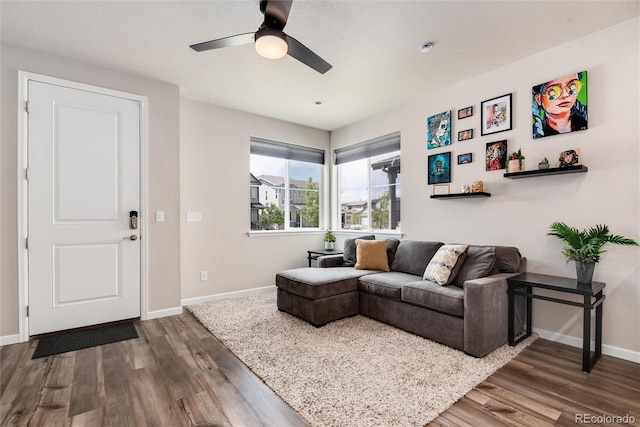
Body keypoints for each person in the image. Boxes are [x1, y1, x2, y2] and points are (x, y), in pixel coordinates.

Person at [532, 72, 588, 139]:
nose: (565, 95)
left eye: (573, 86)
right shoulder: (537, 132)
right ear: (538, 99)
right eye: (552, 92)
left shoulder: (585, 119)